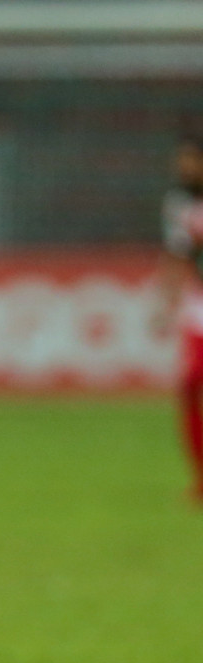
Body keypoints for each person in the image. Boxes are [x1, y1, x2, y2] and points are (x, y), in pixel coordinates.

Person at [155, 133, 203, 503]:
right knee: (189, 387)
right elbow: (178, 254)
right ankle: (201, 476)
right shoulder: (179, 203)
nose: (184, 168)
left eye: (191, 160)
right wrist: (167, 303)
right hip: (199, 306)